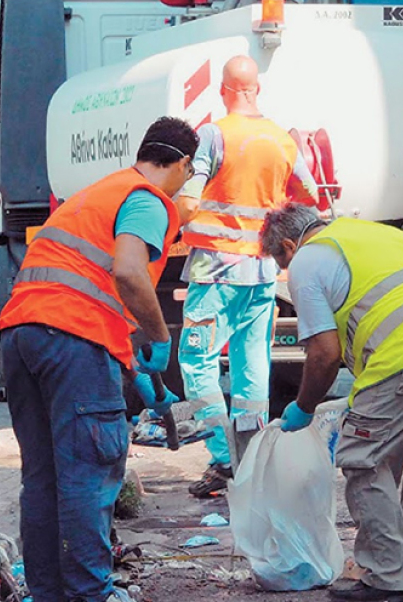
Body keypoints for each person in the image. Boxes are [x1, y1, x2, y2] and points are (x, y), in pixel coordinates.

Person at [0, 117, 199, 602]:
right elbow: (128, 271)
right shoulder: (148, 200)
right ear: (183, 163)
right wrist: (160, 337)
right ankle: (91, 594)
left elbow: (87, 288)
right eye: (191, 173)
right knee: (87, 476)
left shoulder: (95, 194)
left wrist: (133, 367)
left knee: (43, 479)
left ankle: (47, 594)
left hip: (21, 335)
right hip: (72, 340)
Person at [261, 203, 403, 602]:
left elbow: (324, 354)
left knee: (362, 457)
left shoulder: (307, 260)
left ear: (288, 246)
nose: (285, 271)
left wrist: (304, 406)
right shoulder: (373, 233)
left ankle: (388, 575)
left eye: (281, 262)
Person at [177, 54, 319, 498]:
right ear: (257, 90)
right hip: (262, 272)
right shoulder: (281, 140)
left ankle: (224, 457)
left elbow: (189, 196)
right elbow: (311, 194)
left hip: (215, 271)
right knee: (252, 362)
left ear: (224, 90)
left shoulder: (213, 134)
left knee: (196, 361)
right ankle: (252, 458)